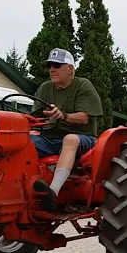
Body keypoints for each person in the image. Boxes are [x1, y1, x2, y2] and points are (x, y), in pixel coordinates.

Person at [31, 48, 104, 211]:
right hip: (48, 138)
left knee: (70, 139)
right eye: (50, 65)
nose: (52, 69)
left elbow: (84, 117)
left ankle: (53, 193)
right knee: (22, 141)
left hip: (83, 138)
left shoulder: (82, 85)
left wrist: (63, 115)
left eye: (57, 65)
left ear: (70, 68)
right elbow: (35, 117)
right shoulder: (45, 88)